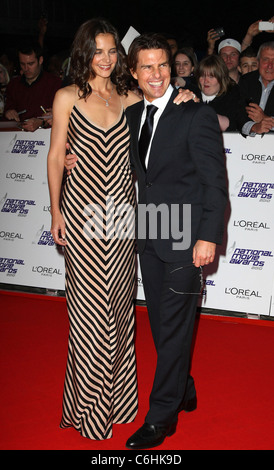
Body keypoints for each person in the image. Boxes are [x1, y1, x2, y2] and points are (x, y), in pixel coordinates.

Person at [47, 18, 194, 442]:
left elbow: (163, 99)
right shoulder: (66, 97)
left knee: (119, 312)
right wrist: (55, 212)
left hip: (127, 220)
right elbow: (57, 157)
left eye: (113, 51)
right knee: (91, 317)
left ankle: (119, 401)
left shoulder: (130, 96)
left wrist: (183, 93)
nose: (106, 59)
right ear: (83, 54)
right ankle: (90, 410)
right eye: (98, 51)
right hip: (83, 218)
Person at [124, 32, 227, 449]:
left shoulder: (194, 114)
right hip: (149, 234)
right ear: (133, 72)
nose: (156, 73)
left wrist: (208, 236)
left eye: (162, 64)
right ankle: (183, 386)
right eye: (146, 66)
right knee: (162, 328)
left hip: (187, 238)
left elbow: (215, 182)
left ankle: (160, 417)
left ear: (172, 67)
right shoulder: (131, 116)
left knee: (175, 326)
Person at [4, 42, 61, 131]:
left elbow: (61, 116)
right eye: (22, 64)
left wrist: (41, 122)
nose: (26, 68)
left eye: (31, 64)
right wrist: (9, 112)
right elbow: (8, 108)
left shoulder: (55, 83)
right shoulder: (13, 84)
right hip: (18, 137)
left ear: (40, 60)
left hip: (45, 136)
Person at [195, 54, 247, 132]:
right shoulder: (190, 93)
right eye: (202, 76)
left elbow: (232, 125)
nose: (206, 81)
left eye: (211, 77)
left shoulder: (232, 98)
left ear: (221, 78)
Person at [239, 41, 274, 136]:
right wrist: (254, 127)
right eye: (266, 59)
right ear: (258, 62)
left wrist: (264, 118)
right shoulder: (246, 81)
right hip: (245, 146)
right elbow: (236, 113)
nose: (270, 65)